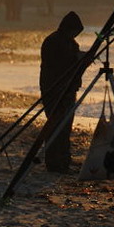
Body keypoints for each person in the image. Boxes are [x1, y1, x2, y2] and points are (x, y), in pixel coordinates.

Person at [39, 11, 87, 173]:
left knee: (66, 126)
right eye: (74, 31)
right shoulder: (53, 41)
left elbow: (73, 65)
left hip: (68, 89)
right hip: (54, 89)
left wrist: (81, 59)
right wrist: (78, 59)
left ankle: (64, 159)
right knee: (55, 125)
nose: (75, 34)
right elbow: (58, 65)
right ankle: (53, 162)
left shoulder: (70, 42)